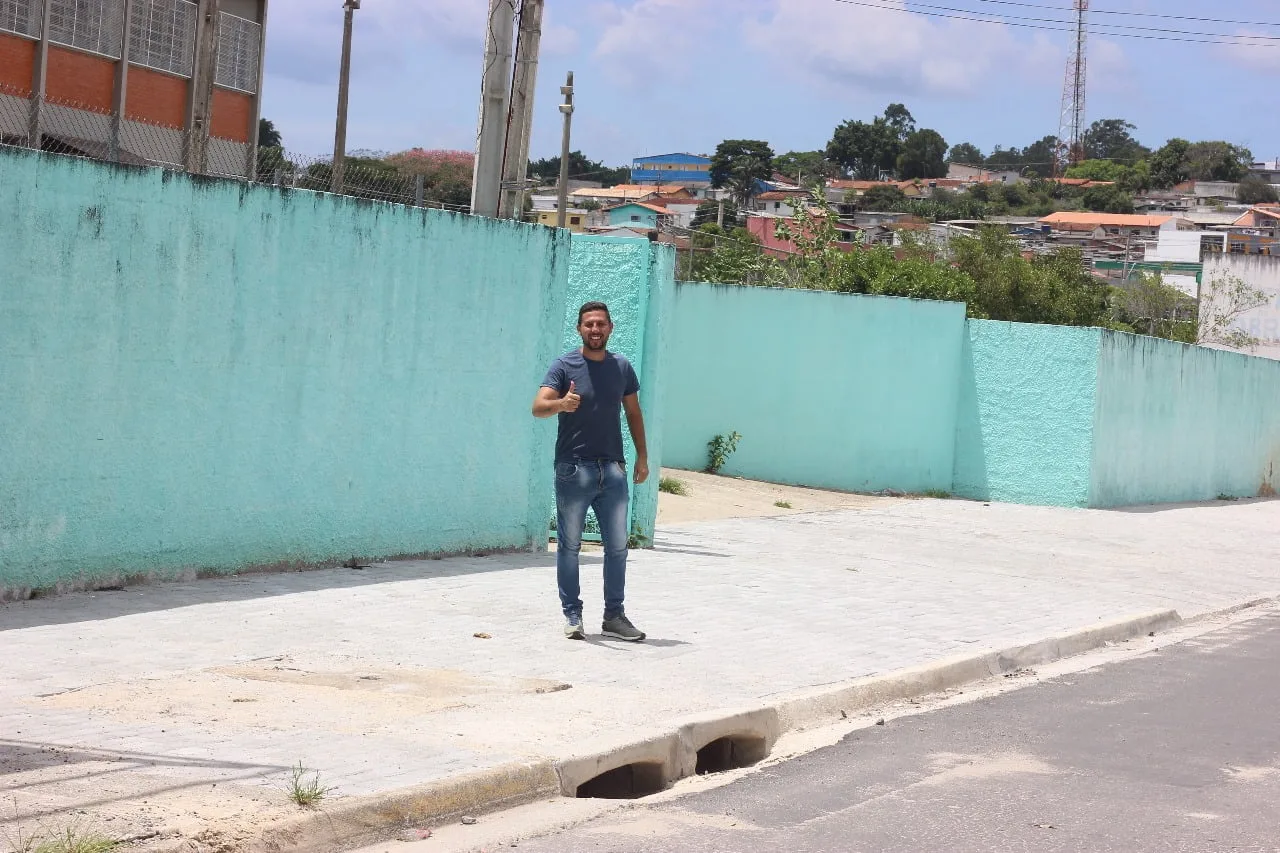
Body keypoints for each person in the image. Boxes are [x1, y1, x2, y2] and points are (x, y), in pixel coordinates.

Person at [532, 301, 649, 642]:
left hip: (612, 469)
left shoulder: (621, 367)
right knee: (570, 547)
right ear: (579, 329)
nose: (595, 330)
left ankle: (614, 617)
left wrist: (642, 457)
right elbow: (538, 407)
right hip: (573, 469)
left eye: (600, 324)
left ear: (610, 328)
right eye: (589, 324)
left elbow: (633, 413)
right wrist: (561, 404)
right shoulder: (564, 365)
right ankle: (572, 614)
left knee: (618, 547)